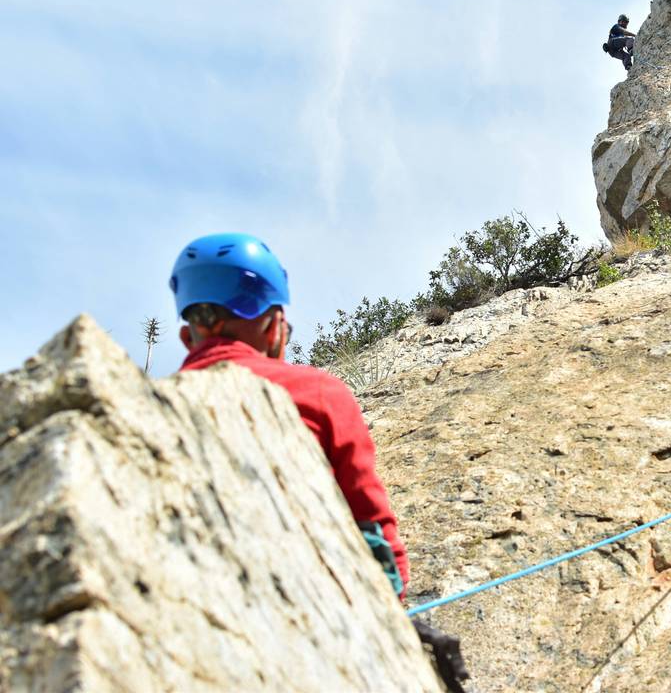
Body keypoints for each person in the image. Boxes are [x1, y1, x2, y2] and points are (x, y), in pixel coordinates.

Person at [170, 232, 468, 692]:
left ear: (188, 334)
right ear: (273, 325)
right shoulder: (317, 394)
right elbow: (373, 525)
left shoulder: (151, 407)